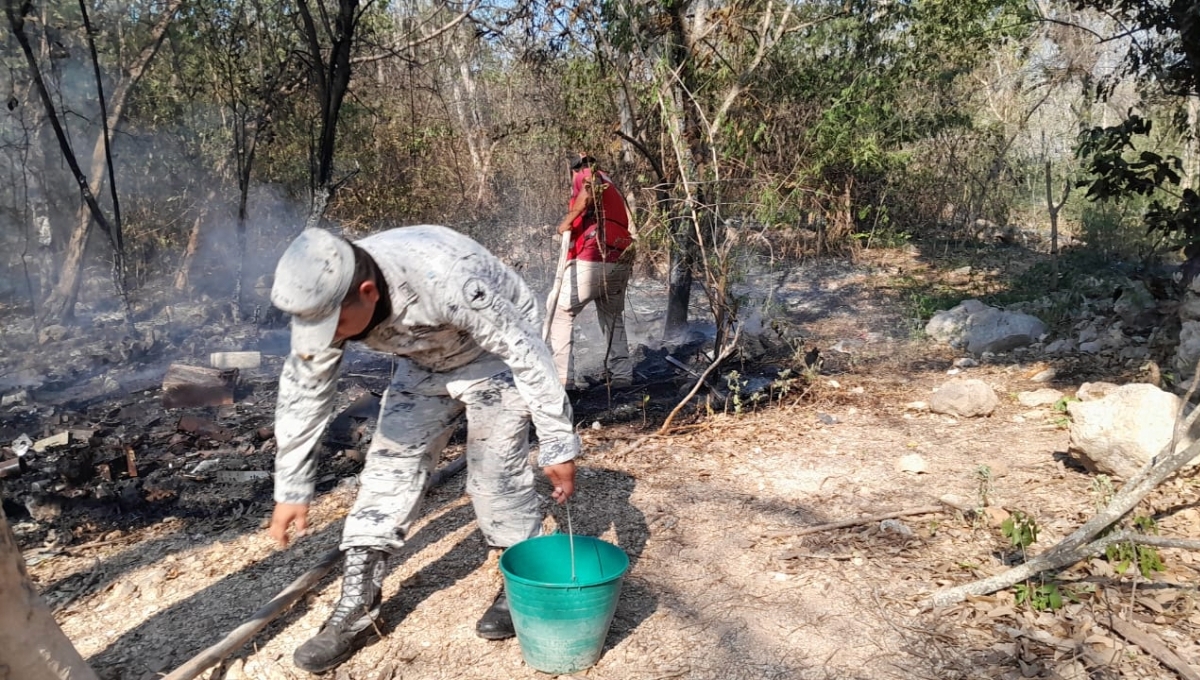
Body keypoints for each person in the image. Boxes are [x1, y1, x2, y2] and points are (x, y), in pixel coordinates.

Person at [267, 225, 580, 674]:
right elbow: (304, 392)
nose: (325, 336)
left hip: (495, 356)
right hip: (424, 361)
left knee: (495, 476)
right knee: (387, 472)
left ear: (368, 292)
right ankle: (358, 605)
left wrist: (557, 442)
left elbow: (526, 352)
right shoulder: (330, 301)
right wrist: (292, 487)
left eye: (330, 325)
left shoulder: (448, 278)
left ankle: (521, 582)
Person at [549, 154, 635, 389]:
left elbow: (589, 190)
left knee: (560, 312)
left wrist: (567, 221)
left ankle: (563, 379)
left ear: (576, 169)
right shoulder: (612, 185)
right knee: (612, 318)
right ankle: (622, 375)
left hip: (594, 255)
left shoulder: (587, 175)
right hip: (619, 258)